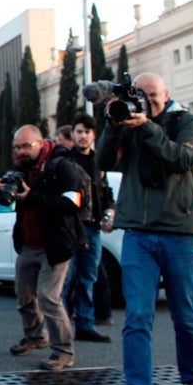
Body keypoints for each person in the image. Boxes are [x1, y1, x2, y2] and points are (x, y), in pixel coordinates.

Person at [97, 72, 193, 385]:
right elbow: (102, 162)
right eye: (140, 95)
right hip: (138, 232)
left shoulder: (188, 122)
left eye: (152, 94)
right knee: (136, 317)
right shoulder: (126, 123)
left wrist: (146, 126)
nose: (145, 100)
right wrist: (113, 125)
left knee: (185, 315)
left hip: (180, 231)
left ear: (166, 93)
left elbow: (183, 159)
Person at [0, 125, 86, 370]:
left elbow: (71, 203)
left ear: (40, 143)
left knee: (49, 298)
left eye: (26, 146)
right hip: (28, 243)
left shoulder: (62, 166)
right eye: (17, 147)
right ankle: (35, 336)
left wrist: (33, 196)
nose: (21, 152)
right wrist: (3, 192)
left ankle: (63, 351)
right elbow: (9, 196)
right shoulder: (22, 167)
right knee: (25, 296)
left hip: (55, 244)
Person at [62, 112, 113, 343]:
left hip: (92, 228)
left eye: (88, 132)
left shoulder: (99, 161)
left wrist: (109, 212)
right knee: (64, 280)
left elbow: (105, 191)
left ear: (94, 135)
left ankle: (85, 324)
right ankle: (60, 331)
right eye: (79, 131)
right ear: (72, 134)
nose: (83, 136)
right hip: (69, 227)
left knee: (88, 278)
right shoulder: (64, 160)